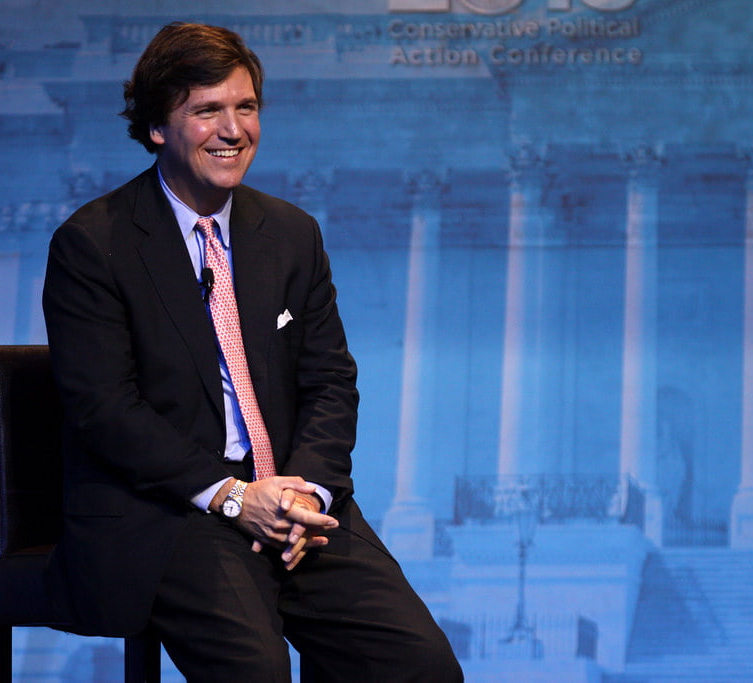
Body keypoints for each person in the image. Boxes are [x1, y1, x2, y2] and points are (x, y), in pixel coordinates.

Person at [42, 21, 463, 682]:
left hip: (291, 503)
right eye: (207, 110)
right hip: (175, 508)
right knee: (257, 672)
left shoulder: (293, 234)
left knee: (420, 666)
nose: (233, 129)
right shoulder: (94, 244)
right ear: (157, 127)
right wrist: (236, 497)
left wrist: (307, 491)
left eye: (246, 108)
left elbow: (329, 380)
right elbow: (105, 410)